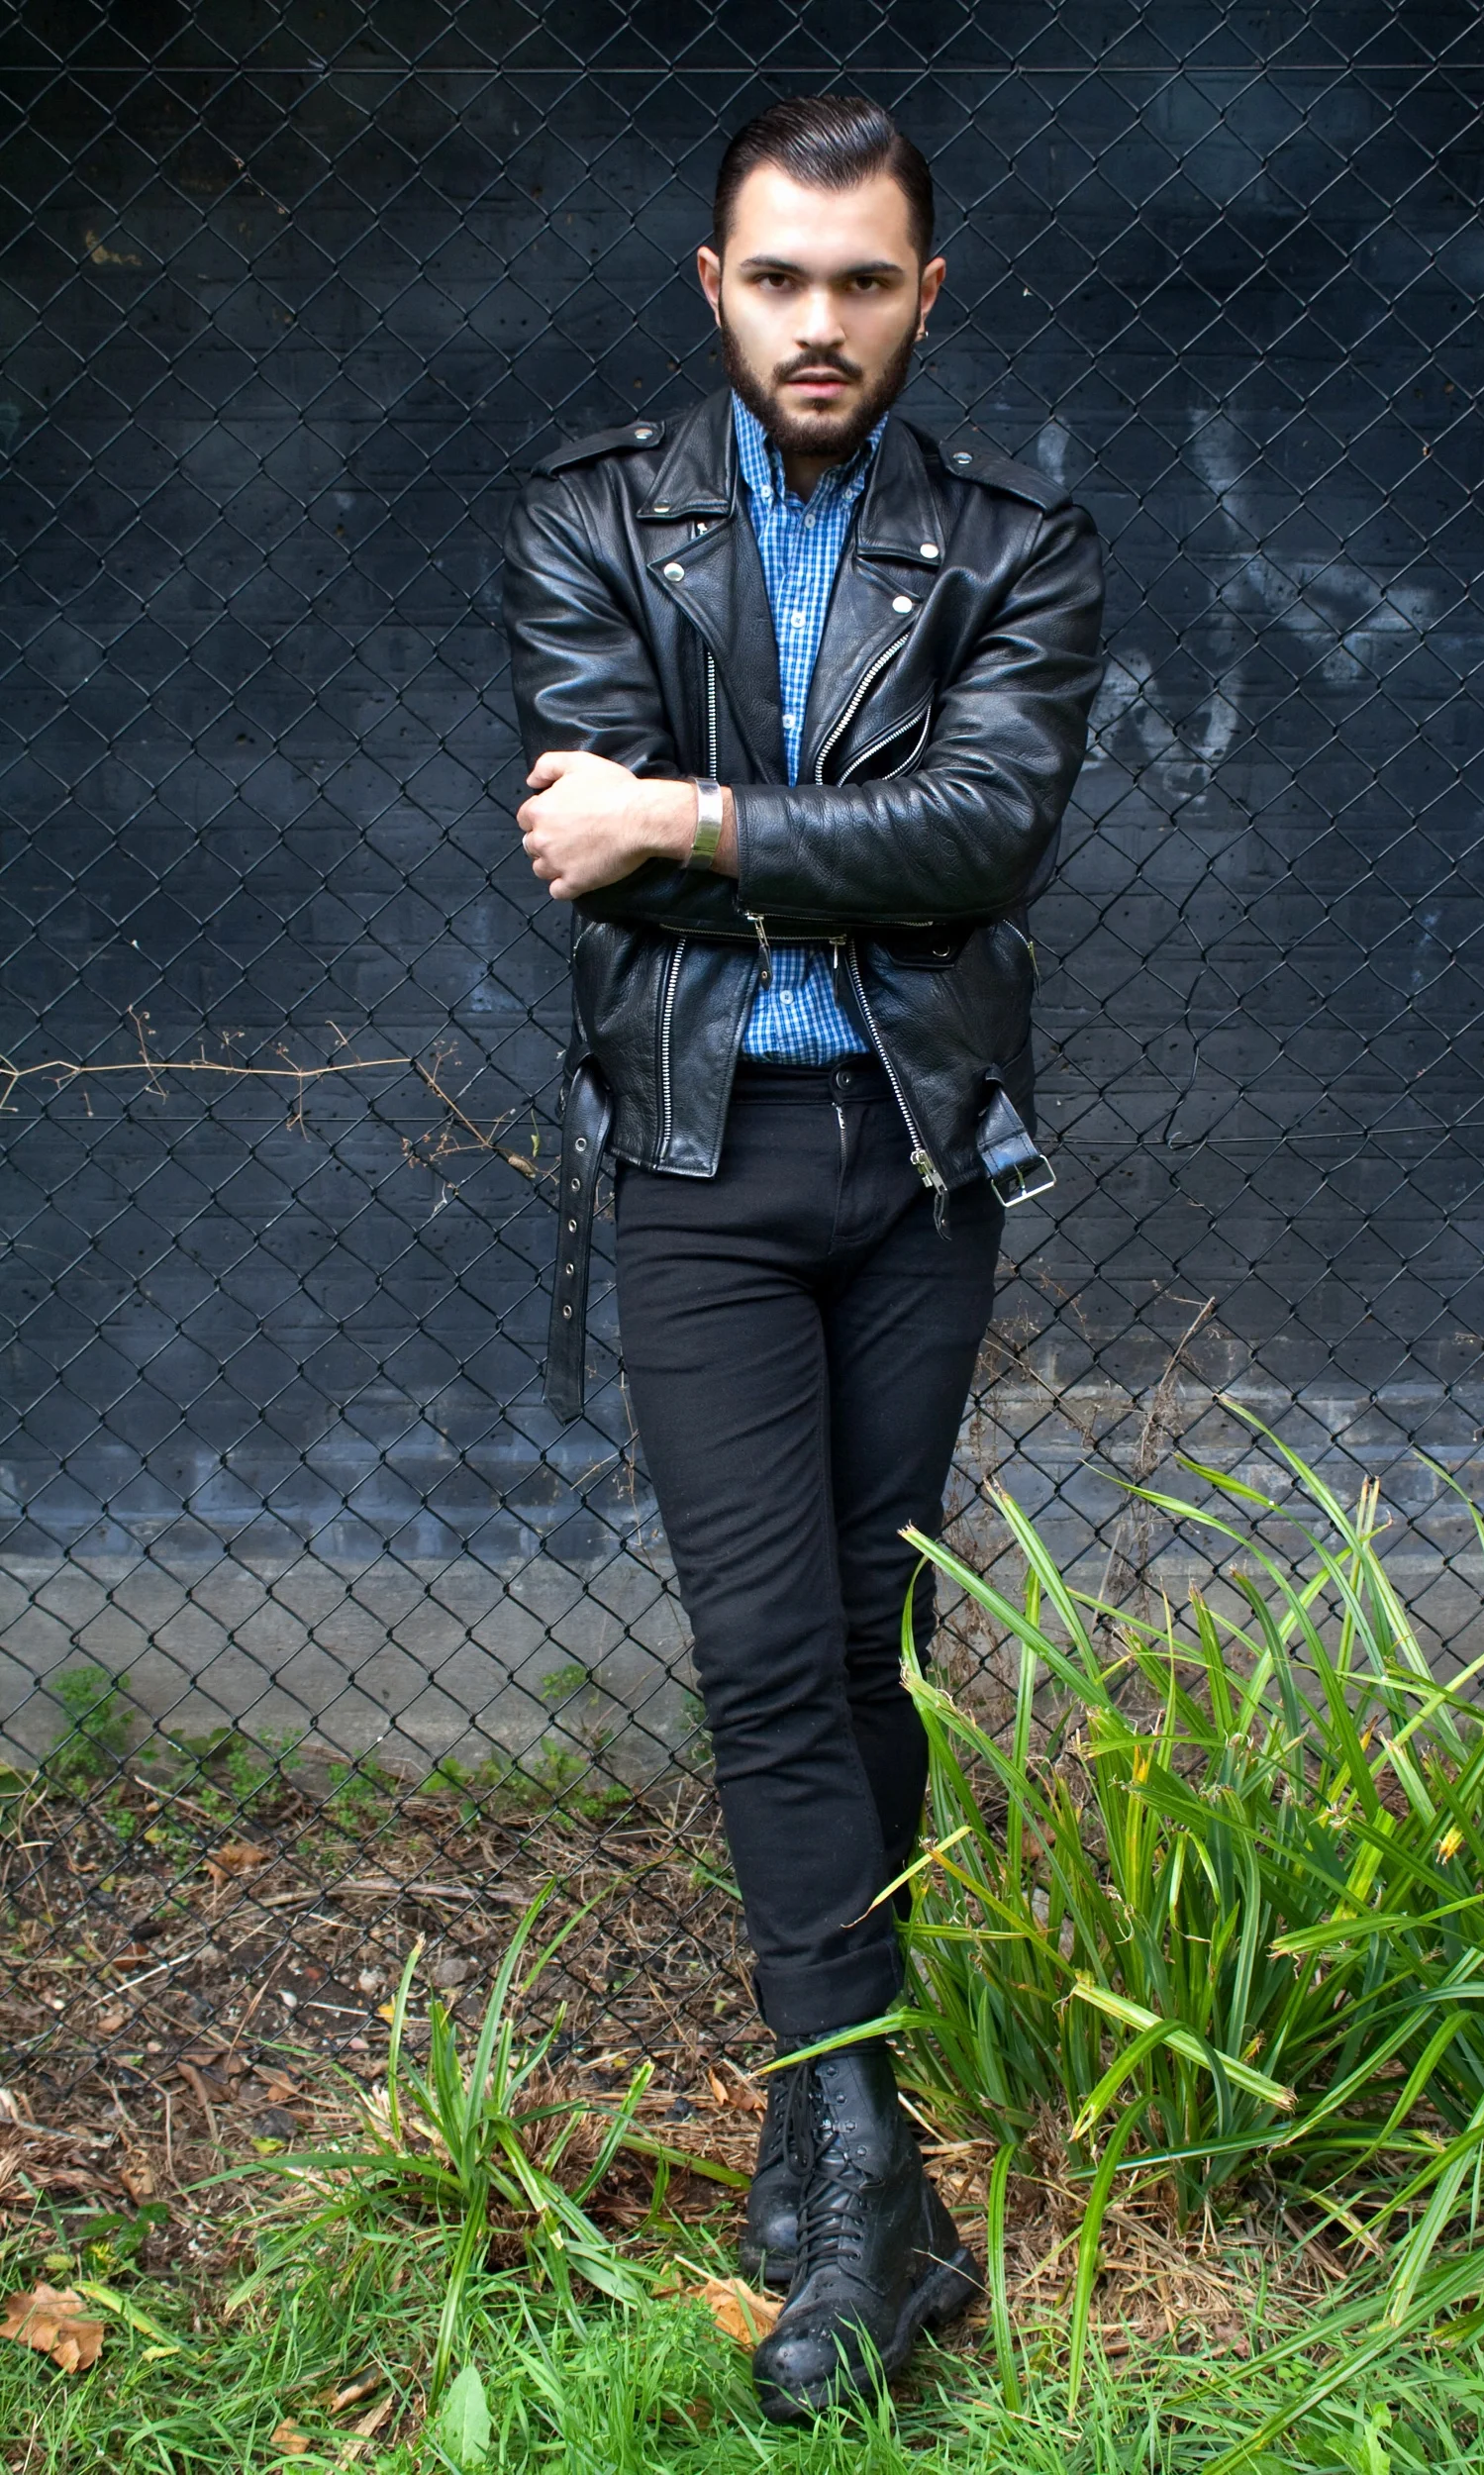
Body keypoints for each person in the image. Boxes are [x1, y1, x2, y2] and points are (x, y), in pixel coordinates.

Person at [503, 94, 1103, 2422]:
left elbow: (987, 832)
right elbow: (585, 846)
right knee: (764, 1648)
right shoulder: (593, 522)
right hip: (696, 1151)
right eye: (779, 278)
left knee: (871, 1641)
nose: (820, 321)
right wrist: (748, 839)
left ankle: (816, 2128)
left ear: (924, 296)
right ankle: (873, 2179)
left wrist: (699, 810)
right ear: (712, 285)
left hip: (916, 1150)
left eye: (863, 281)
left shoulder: (1012, 545)